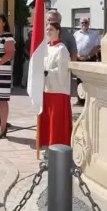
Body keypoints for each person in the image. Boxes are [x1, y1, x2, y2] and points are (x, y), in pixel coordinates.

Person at [39, 21, 72, 151]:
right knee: (47, 119)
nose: (48, 32)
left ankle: (58, 145)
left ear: (58, 31)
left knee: (57, 121)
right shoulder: (46, 48)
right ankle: (47, 144)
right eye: (47, 30)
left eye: (51, 29)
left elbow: (62, 72)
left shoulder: (62, 49)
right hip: (46, 89)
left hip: (58, 91)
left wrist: (47, 72)